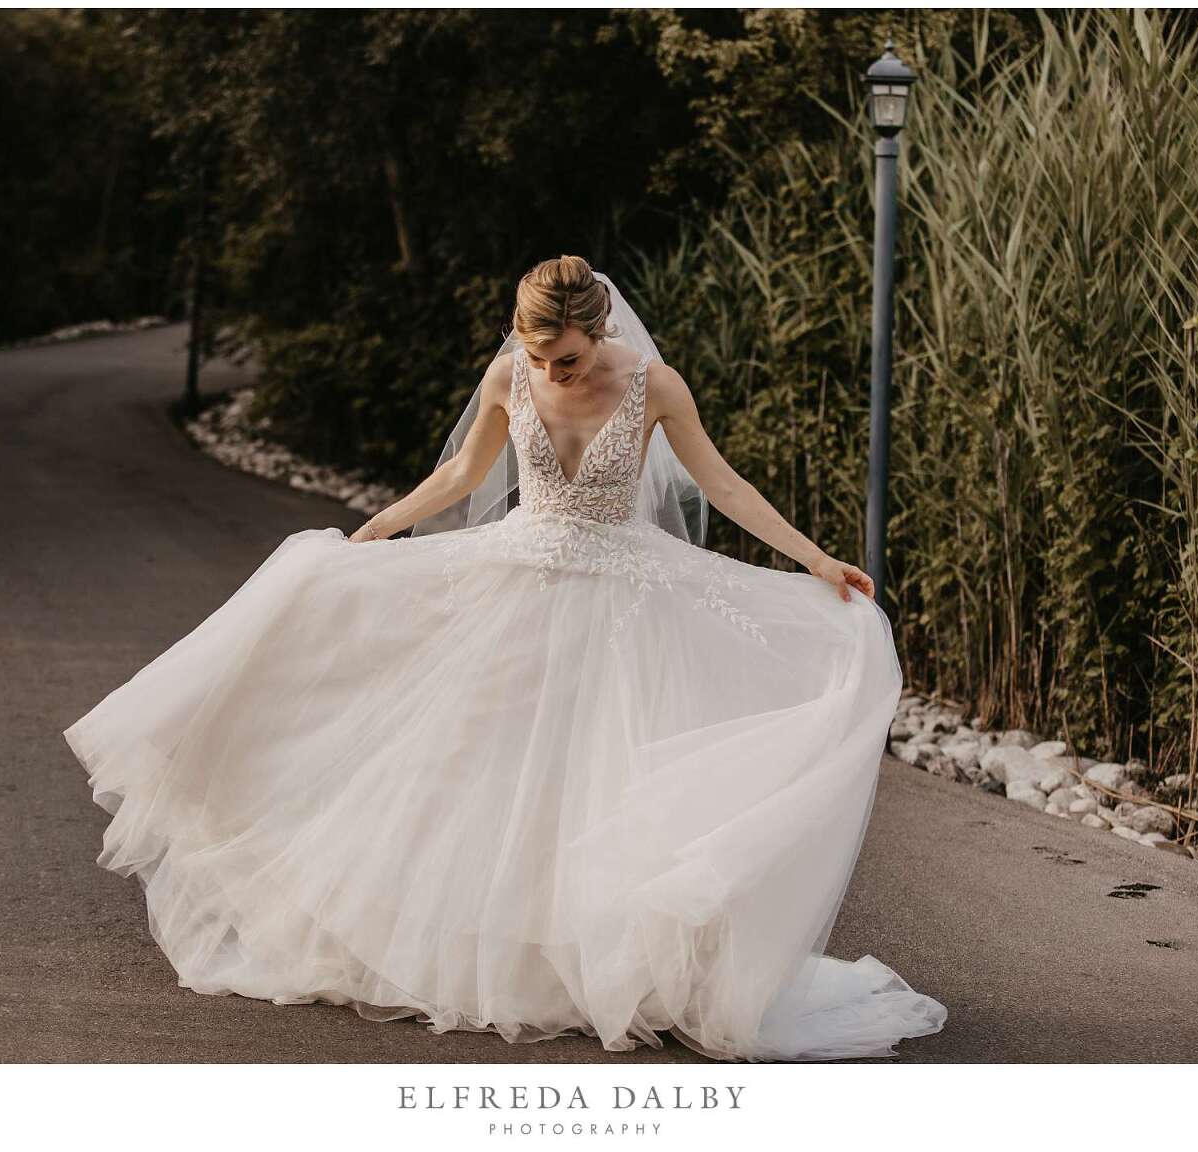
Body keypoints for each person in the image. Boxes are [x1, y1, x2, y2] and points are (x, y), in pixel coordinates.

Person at [63, 254, 948, 1062]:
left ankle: (606, 963)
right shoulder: (507, 372)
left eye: (565, 359)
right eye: (539, 357)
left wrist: (816, 560)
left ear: (598, 333)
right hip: (514, 582)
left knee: (594, 778)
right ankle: (489, 955)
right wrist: (369, 536)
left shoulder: (653, 383)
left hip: (620, 602)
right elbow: (456, 481)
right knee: (478, 770)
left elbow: (721, 484)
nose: (551, 374)